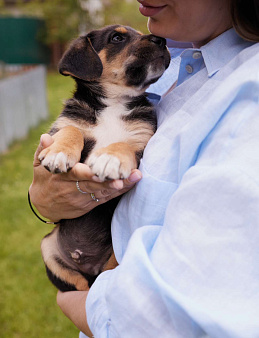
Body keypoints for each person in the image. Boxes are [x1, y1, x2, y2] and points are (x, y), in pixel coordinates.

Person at [29, 0, 259, 337]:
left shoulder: (244, 95)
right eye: (121, 40)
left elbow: (164, 320)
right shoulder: (176, 65)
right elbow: (51, 182)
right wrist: (43, 200)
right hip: (76, 255)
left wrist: (76, 303)